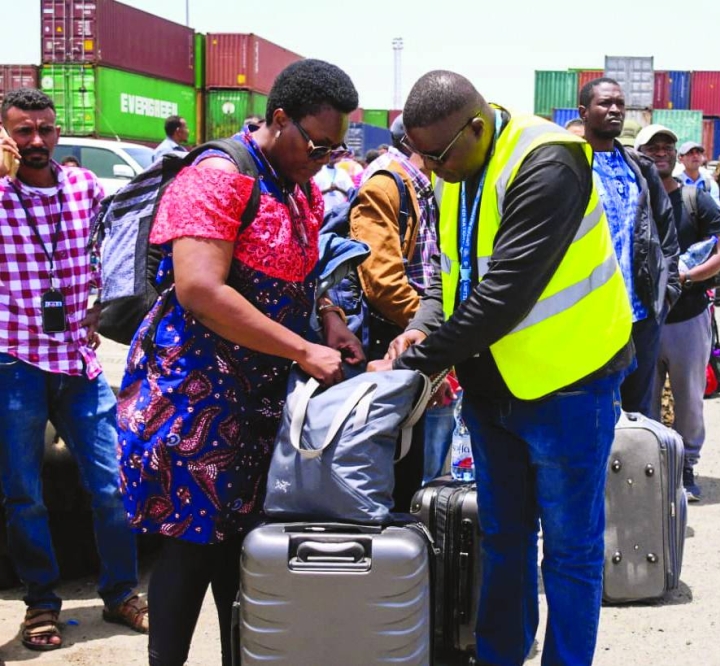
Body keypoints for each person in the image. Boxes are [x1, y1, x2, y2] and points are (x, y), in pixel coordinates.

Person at [369, 70, 633, 666]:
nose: (430, 169)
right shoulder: (456, 169)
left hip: (570, 384)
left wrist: (415, 363)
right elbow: (451, 278)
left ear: (476, 127)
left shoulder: (549, 162)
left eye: (436, 155)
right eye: (422, 157)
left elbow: (502, 297)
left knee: (569, 551)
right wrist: (420, 324)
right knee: (504, 540)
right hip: (494, 389)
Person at [116, 60, 362, 666]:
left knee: (243, 552)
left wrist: (328, 315)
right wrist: (304, 349)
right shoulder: (219, 176)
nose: (327, 157)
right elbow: (200, 289)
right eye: (318, 142)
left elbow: (299, 268)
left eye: (338, 147)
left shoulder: (297, 185)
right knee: (190, 552)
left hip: (256, 400)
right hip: (195, 399)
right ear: (280, 119)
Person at [0, 88, 146, 651]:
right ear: (8, 136)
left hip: (79, 363)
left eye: (45, 129)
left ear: (57, 132)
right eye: (23, 131)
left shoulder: (84, 188)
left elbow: (111, 251)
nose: (36, 141)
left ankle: (120, 593)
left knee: (111, 485)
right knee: (23, 494)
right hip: (14, 362)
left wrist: (100, 304)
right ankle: (40, 604)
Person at [346, 113, 458, 494]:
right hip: (393, 342)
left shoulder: (423, 184)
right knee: (396, 464)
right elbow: (384, 283)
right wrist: (431, 335)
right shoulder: (385, 184)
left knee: (420, 459)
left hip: (416, 336)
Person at [636, 124, 720, 501]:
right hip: (641, 319)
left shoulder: (697, 200)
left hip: (687, 317)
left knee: (689, 398)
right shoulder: (632, 200)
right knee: (645, 400)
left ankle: (687, 465)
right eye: (652, 147)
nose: (661, 152)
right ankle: (652, 468)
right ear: (638, 152)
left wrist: (687, 277)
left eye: (667, 147)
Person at [579, 78, 679, 420]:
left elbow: (666, 231)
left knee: (637, 410)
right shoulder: (570, 165)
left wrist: (668, 290)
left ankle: (633, 474)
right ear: (584, 112)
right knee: (592, 409)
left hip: (641, 315)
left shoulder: (640, 168)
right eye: (605, 104)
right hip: (591, 315)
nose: (615, 110)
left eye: (620, 104)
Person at [677, 141, 720, 206]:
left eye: (698, 152)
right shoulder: (674, 183)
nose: (695, 156)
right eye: (690, 153)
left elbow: (716, 212)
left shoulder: (711, 185)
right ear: (681, 159)